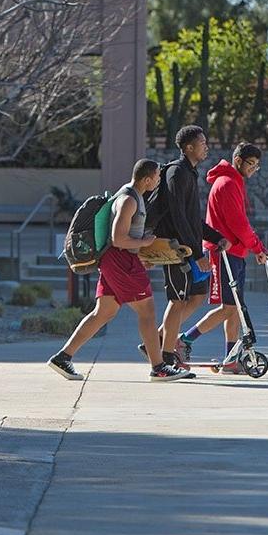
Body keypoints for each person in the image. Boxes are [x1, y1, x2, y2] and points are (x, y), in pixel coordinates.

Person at [47, 159, 192, 382]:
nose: (159, 181)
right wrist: (143, 243)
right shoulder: (128, 200)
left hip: (118, 260)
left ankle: (63, 357)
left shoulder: (131, 196)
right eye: (157, 177)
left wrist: (143, 252)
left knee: (104, 312)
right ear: (147, 179)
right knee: (148, 312)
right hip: (120, 261)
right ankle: (159, 367)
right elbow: (118, 238)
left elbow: (126, 238)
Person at [138, 126, 231, 368]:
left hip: (186, 247)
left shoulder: (189, 173)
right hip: (172, 247)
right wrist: (198, 253)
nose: (206, 146)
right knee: (177, 300)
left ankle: (161, 337)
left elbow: (191, 218)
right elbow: (178, 216)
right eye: (202, 142)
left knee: (198, 295)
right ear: (189, 147)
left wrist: (215, 235)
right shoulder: (176, 173)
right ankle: (167, 354)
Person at [179, 143, 268, 372]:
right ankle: (184, 340)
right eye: (251, 164)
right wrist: (258, 248)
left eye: (257, 166)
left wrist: (255, 248)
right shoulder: (228, 183)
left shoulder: (234, 182)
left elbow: (241, 224)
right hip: (223, 254)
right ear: (239, 160)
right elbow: (239, 225)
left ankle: (230, 359)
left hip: (235, 254)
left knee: (234, 307)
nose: (253, 169)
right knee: (230, 308)